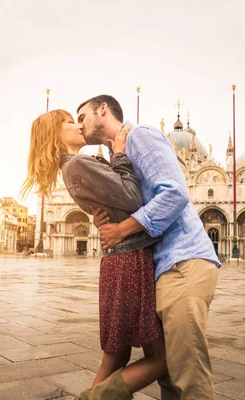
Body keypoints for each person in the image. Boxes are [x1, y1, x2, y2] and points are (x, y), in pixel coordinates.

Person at [77, 95, 221, 399]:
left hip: (183, 260)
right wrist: (104, 220)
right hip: (158, 268)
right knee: (168, 372)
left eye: (82, 117)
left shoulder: (139, 136)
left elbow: (174, 194)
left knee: (189, 373)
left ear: (103, 109)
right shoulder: (117, 153)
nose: (79, 126)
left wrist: (120, 230)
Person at [21, 109, 168, 399]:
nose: (78, 126)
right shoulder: (77, 164)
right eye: (69, 122)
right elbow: (132, 197)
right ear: (55, 136)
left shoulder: (76, 165)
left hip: (123, 259)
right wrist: (120, 154)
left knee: (116, 356)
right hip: (129, 261)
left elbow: (113, 201)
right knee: (160, 359)